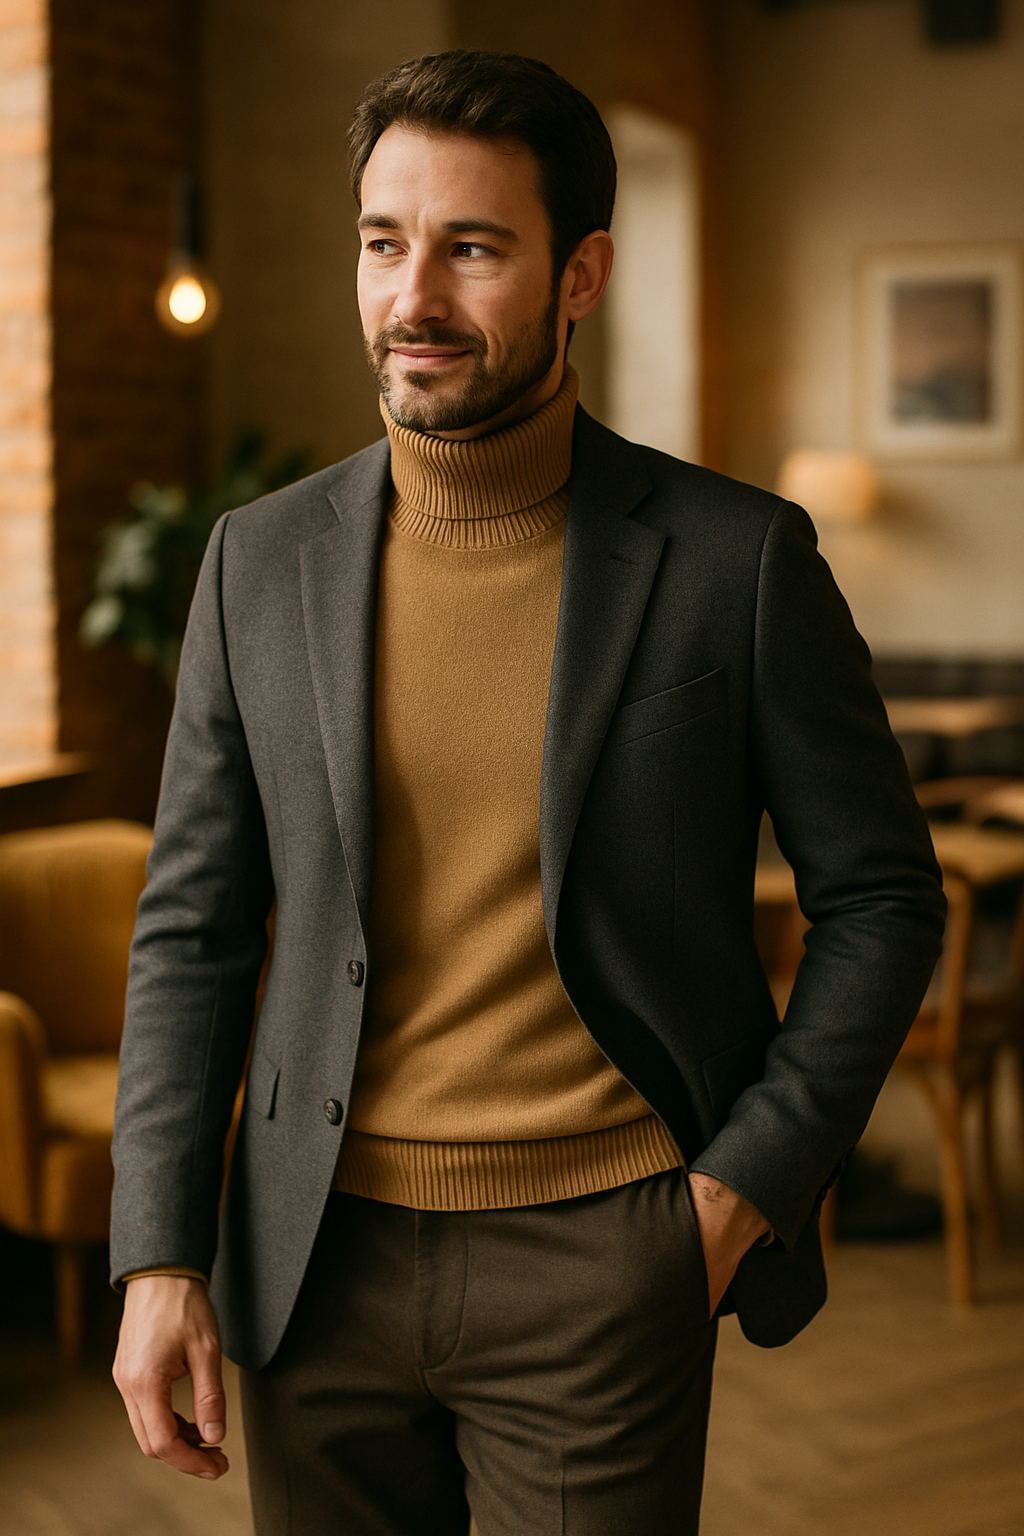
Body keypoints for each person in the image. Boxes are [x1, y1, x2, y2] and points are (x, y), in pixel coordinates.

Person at [110, 49, 945, 1536]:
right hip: (312, 1261)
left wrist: (734, 1196)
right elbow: (191, 928)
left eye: (473, 247)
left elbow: (880, 898)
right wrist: (160, 1254)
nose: (412, 297)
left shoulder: (736, 563)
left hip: (607, 1256)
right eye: (384, 242)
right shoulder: (261, 560)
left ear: (582, 274)